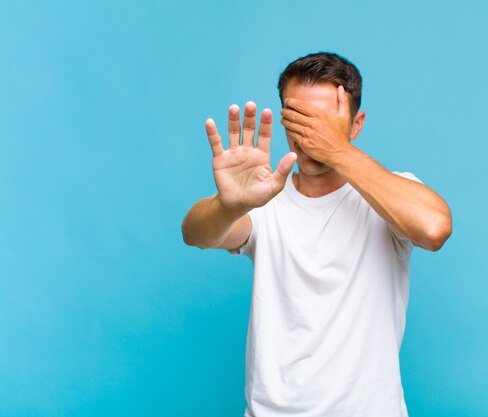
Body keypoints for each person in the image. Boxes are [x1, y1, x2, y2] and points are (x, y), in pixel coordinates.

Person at [182, 52, 452, 417]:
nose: (310, 133)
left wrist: (338, 150)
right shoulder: (265, 198)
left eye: (324, 120)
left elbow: (434, 229)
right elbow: (195, 233)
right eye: (299, 119)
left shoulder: (389, 193)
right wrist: (230, 205)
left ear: (356, 125)